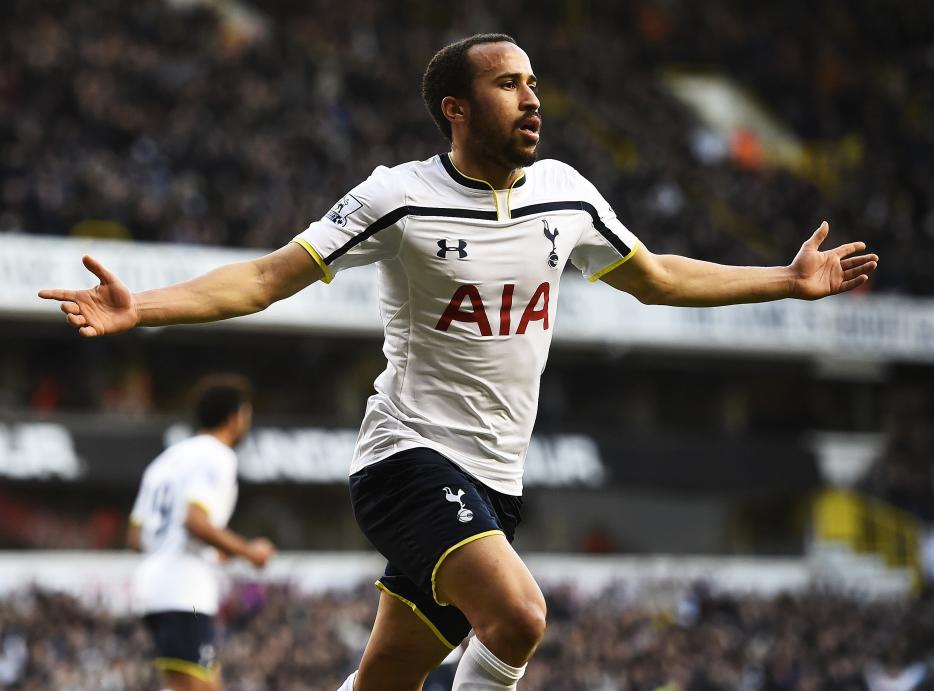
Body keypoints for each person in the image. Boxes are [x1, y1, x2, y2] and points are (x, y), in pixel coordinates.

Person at [40, 33, 878, 691]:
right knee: (517, 617)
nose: (531, 98)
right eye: (509, 84)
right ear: (456, 107)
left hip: (495, 479)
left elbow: (656, 279)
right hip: (406, 458)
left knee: (386, 680)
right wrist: (142, 305)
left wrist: (785, 279)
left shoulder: (567, 194)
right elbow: (265, 277)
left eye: (535, 83)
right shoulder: (396, 198)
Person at [127, 375, 275, 691]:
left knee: (206, 684)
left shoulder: (165, 460)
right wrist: (250, 552)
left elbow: (135, 536)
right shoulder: (217, 455)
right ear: (236, 416)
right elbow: (195, 521)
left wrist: (210, 548)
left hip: (155, 587)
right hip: (183, 590)